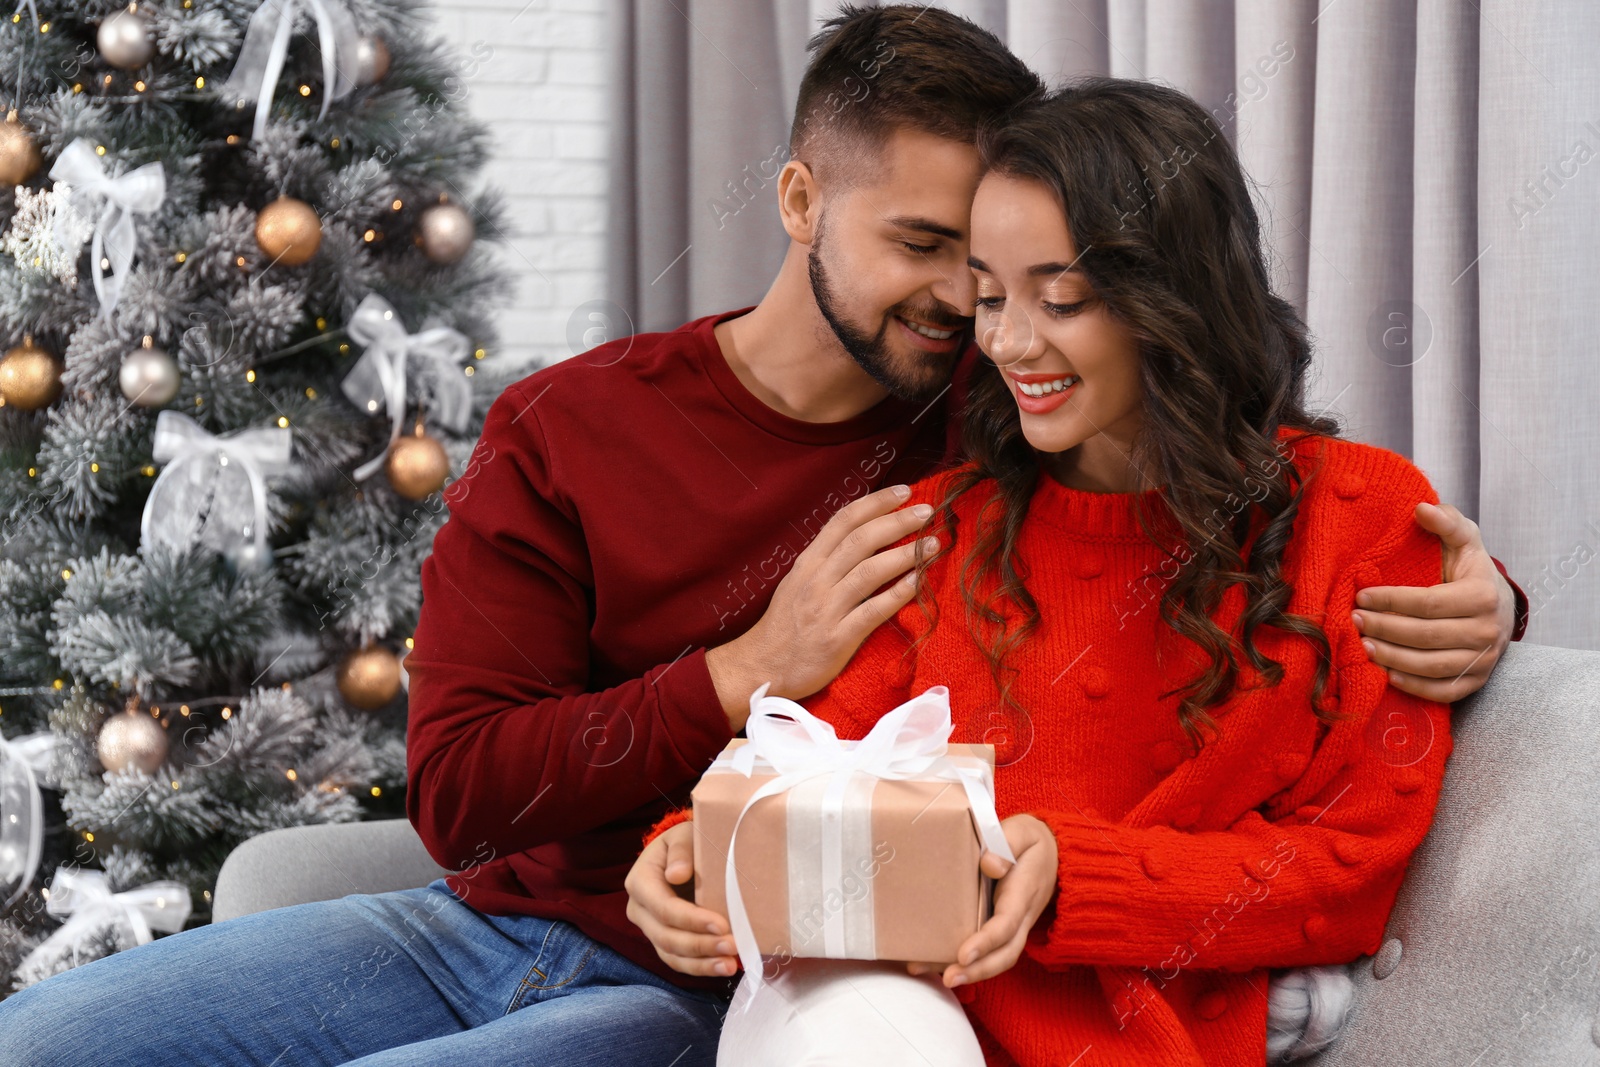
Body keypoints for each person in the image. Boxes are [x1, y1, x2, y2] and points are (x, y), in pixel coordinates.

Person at [0, 7, 1522, 1066]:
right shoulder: (580, 428)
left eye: (1002, 273)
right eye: (933, 254)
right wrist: (742, 670)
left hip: (722, 981)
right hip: (511, 917)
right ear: (799, 199)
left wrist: (1487, 596)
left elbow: (1246, 486)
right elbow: (465, 790)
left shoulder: (989, 427)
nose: (974, 318)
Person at [629, 75, 1463, 1066]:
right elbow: (826, 758)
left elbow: (1351, 870)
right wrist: (692, 844)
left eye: (1060, 298)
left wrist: (1075, 871)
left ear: (1176, 296)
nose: (1009, 342)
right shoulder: (944, 529)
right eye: (988, 294)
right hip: (893, 1011)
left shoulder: (1360, 515)